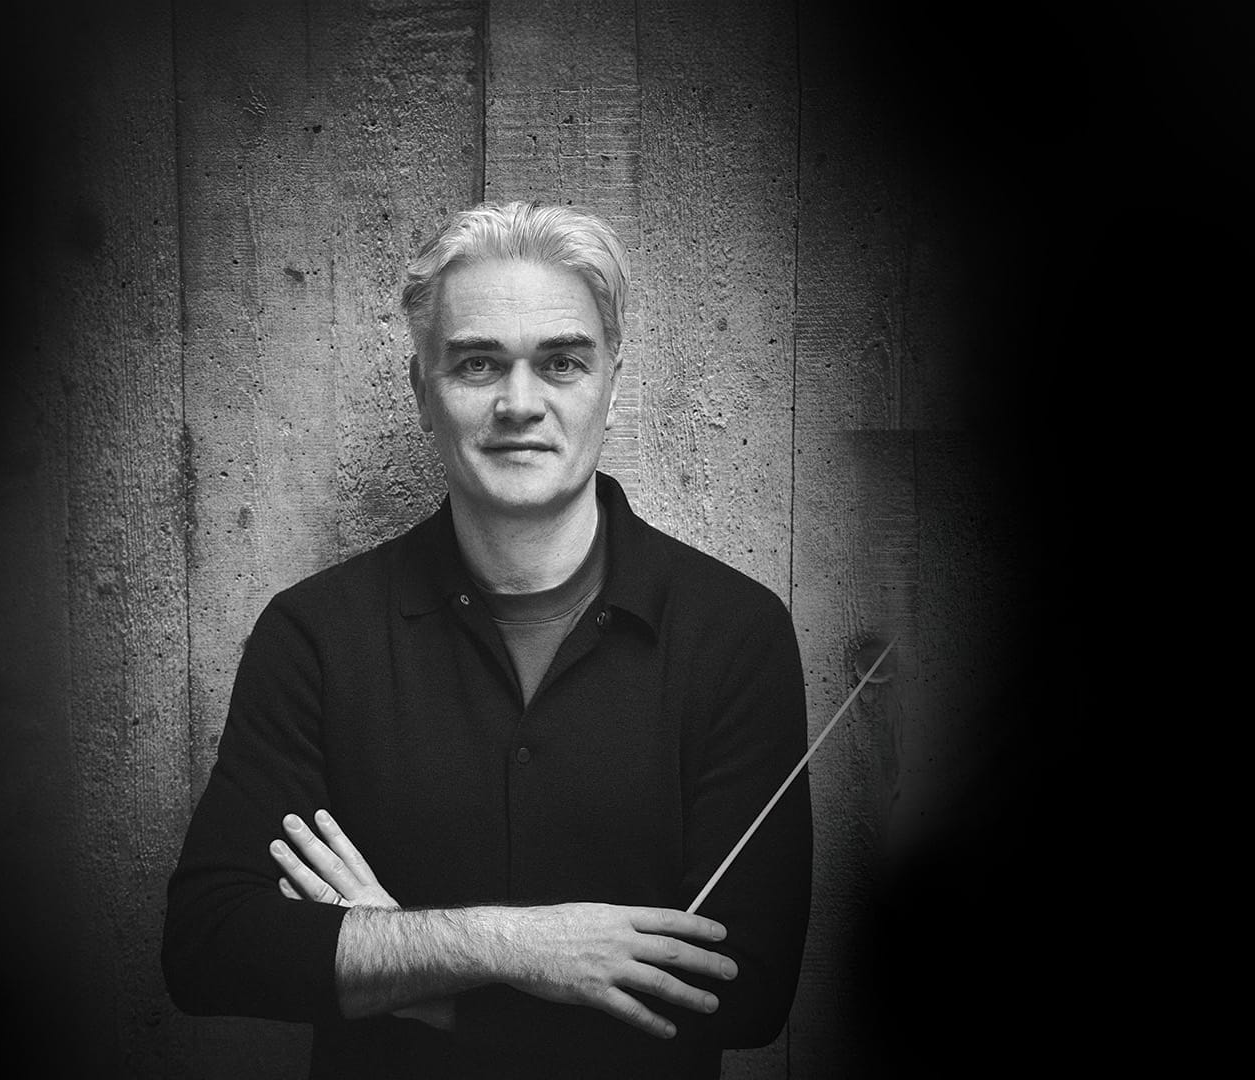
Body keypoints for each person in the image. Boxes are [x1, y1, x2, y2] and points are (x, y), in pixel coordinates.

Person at [162, 201, 811, 1079]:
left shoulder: (737, 636)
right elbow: (211, 949)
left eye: (561, 362)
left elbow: (745, 993)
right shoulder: (313, 634)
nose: (519, 403)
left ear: (612, 387)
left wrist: (409, 973)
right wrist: (512, 945)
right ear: (421, 392)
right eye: (476, 363)